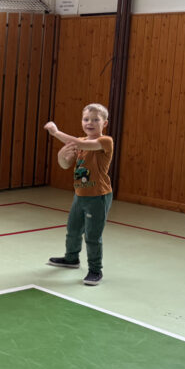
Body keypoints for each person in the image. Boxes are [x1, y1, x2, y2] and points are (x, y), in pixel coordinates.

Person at [43, 103, 113, 286]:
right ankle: (71, 258)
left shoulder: (105, 141)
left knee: (92, 236)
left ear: (104, 123)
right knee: (73, 230)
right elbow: (66, 164)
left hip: (98, 196)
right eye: (86, 119)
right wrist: (61, 155)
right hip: (80, 194)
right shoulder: (79, 142)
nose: (90, 123)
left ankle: (95, 270)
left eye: (95, 119)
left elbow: (80, 143)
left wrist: (55, 132)